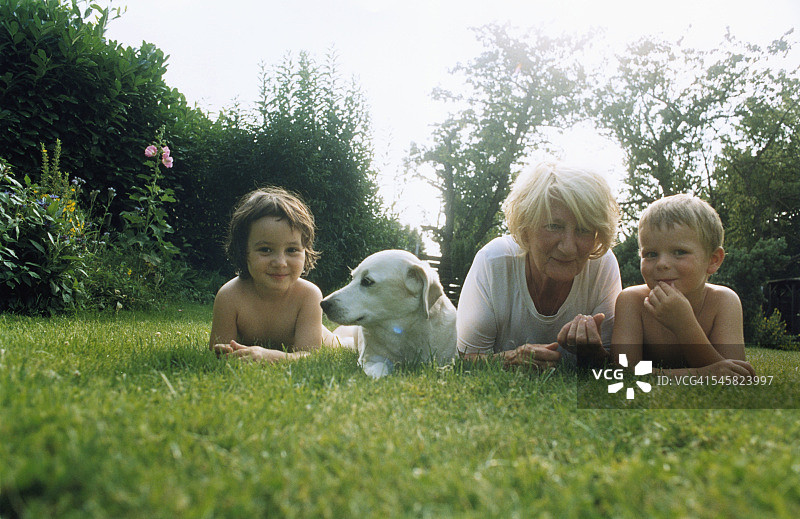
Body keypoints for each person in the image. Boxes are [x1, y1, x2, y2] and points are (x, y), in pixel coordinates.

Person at [457, 161, 622, 369]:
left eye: (583, 230)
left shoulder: (602, 266)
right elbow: (464, 359)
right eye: (554, 226)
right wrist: (509, 359)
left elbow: (614, 365)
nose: (568, 248)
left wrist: (593, 355)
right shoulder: (494, 262)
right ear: (525, 228)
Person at [611, 194, 756, 378]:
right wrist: (701, 374)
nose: (662, 264)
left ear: (713, 260)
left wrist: (684, 325)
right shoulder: (632, 301)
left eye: (679, 252)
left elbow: (735, 375)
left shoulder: (724, 301)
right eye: (651, 254)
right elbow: (624, 370)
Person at [209, 186, 331, 362]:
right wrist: (226, 352)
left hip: (330, 339)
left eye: (291, 250)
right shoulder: (229, 296)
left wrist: (269, 356)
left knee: (348, 341)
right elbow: (218, 352)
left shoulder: (308, 295)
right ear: (243, 251)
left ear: (305, 251)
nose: (280, 263)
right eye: (265, 250)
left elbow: (309, 356)